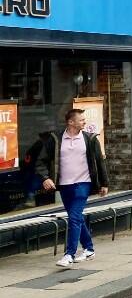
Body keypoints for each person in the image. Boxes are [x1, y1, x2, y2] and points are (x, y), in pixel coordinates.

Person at [35, 108, 109, 268]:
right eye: (81, 119)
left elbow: (99, 161)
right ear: (71, 122)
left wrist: (104, 183)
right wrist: (46, 178)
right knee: (77, 218)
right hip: (64, 185)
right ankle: (89, 249)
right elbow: (40, 161)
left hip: (83, 183)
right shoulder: (56, 140)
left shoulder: (90, 139)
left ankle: (69, 254)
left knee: (74, 217)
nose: (85, 122)